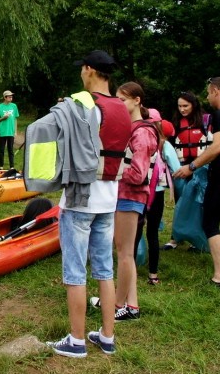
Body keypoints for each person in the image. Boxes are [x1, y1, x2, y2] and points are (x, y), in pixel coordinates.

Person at [44, 50, 130, 358]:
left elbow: (55, 139)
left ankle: (77, 340)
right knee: (105, 269)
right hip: (109, 197)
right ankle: (107, 336)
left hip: (81, 200)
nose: (81, 72)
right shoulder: (123, 106)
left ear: (90, 70)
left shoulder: (81, 103)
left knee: (75, 272)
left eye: (82, 68)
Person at [173, 77, 220, 287]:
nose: (206, 97)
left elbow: (216, 147)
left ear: (215, 91)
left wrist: (191, 166)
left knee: (211, 223)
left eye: (207, 92)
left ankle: (219, 275)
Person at [109, 82, 158, 321]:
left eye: (123, 99)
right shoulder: (133, 128)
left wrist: (111, 171)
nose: (119, 104)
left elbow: (138, 174)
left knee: (125, 253)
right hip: (123, 196)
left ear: (137, 100)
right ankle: (132, 305)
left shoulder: (142, 132)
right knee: (124, 252)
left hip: (131, 197)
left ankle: (117, 304)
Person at [133, 109, 178, 285]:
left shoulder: (135, 139)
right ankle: (153, 275)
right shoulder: (164, 145)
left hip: (137, 191)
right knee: (152, 233)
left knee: (135, 234)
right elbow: (175, 167)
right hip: (156, 192)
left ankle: (132, 272)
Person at [163, 91, 208, 250]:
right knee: (180, 203)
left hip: (199, 168)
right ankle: (175, 238)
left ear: (193, 105)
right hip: (180, 169)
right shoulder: (175, 123)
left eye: (185, 106)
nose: (182, 109)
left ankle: (197, 239)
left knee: (199, 204)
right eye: (180, 106)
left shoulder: (205, 122)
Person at [0, 90, 19, 170]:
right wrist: (3, 118)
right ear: (5, 97)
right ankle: (1, 166)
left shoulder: (14, 106)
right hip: (2, 131)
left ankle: (12, 167)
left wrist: (15, 131)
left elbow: (15, 119)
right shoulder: (0, 107)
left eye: (11, 96)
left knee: (10, 150)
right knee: (1, 150)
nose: (11, 98)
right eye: (9, 96)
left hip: (11, 131)